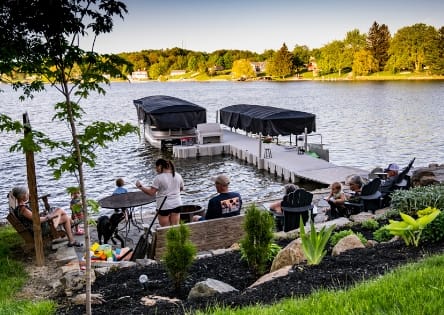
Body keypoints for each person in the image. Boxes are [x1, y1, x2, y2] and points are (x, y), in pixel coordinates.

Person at [12, 186, 82, 247]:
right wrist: (48, 217)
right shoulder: (23, 210)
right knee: (59, 210)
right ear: (23, 196)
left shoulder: (20, 208)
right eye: (27, 193)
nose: (28, 195)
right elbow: (38, 220)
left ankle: (72, 240)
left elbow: (34, 218)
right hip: (40, 230)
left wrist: (45, 215)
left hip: (38, 227)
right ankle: (72, 223)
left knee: (65, 217)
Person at [135, 159, 184, 227]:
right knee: (175, 227)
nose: (156, 169)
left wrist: (140, 187)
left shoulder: (158, 178)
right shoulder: (178, 175)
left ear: (160, 166)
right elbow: (181, 189)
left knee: (165, 229)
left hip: (164, 206)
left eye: (156, 167)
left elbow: (151, 193)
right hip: (177, 204)